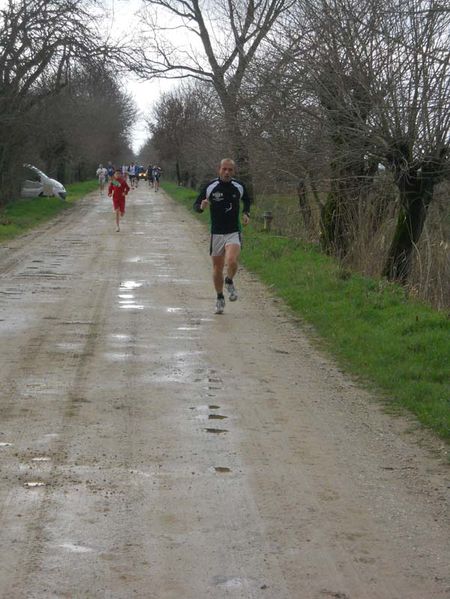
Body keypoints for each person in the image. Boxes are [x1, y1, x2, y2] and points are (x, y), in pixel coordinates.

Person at [193, 158, 251, 314]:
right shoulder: (210, 186)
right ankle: (219, 297)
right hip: (216, 233)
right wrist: (201, 207)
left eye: (230, 170)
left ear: (234, 171)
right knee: (217, 268)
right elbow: (196, 205)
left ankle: (229, 280)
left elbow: (247, 199)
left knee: (231, 261)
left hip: (233, 231)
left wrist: (246, 213)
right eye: (224, 169)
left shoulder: (239, 186)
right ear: (219, 169)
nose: (227, 172)